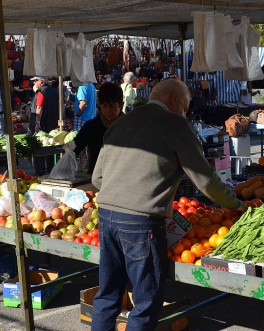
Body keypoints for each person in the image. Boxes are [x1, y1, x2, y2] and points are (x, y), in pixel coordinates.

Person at [91, 79, 246, 331]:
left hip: (107, 216)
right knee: (145, 302)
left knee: (108, 295)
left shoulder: (123, 122)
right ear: (175, 100)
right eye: (185, 106)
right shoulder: (176, 124)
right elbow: (205, 180)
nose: (185, 111)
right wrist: (235, 204)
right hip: (140, 222)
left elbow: (98, 178)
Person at [74, 82, 123, 174]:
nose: (108, 110)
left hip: (121, 178)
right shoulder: (91, 126)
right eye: (104, 106)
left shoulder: (128, 126)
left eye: (112, 106)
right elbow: (75, 148)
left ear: (121, 105)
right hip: (95, 178)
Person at [29, 77, 59, 176]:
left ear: (41, 82)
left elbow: (39, 108)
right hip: (52, 123)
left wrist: (37, 123)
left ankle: (40, 171)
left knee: (40, 147)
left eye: (35, 81)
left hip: (42, 124)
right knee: (50, 147)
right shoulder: (54, 91)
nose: (34, 83)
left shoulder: (41, 92)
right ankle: (50, 169)